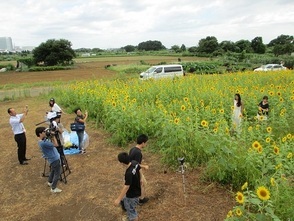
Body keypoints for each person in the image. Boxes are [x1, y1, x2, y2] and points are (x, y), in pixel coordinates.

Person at [114, 152, 141, 221]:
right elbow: (139, 168)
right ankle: (129, 216)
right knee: (127, 205)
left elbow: (126, 187)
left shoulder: (128, 173)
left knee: (131, 211)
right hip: (137, 190)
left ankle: (133, 218)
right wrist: (141, 179)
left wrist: (118, 199)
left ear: (122, 163)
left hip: (132, 195)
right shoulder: (134, 163)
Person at [35, 127, 62, 193]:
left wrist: (50, 136)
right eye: (44, 132)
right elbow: (56, 144)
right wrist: (53, 136)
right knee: (57, 173)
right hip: (54, 159)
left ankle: (50, 182)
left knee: (53, 170)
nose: (45, 133)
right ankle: (53, 188)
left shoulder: (41, 141)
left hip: (52, 160)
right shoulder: (44, 143)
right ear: (40, 134)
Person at [129, 134, 149, 204]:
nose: (146, 144)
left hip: (131, 170)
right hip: (135, 171)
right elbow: (137, 164)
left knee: (141, 184)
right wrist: (144, 167)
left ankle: (140, 198)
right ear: (143, 143)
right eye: (146, 143)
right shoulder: (138, 153)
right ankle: (141, 199)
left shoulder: (132, 149)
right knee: (142, 183)